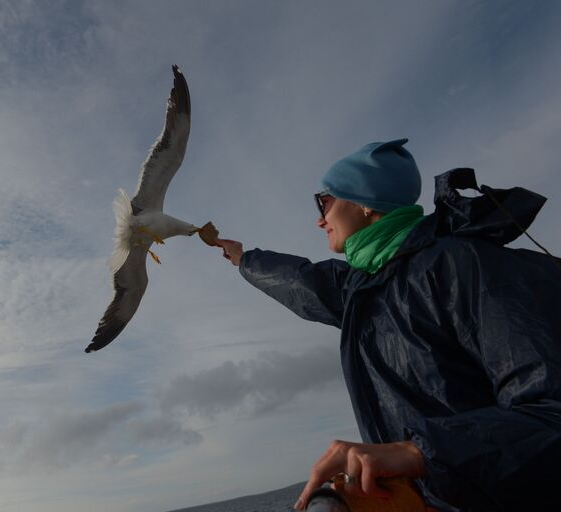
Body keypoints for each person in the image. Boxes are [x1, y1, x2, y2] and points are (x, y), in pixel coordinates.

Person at [215, 139, 561, 511]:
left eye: (324, 201)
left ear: (365, 201)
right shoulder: (366, 287)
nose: (319, 218)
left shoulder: (469, 267)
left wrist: (417, 454)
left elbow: (549, 410)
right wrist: (243, 258)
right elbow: (303, 281)